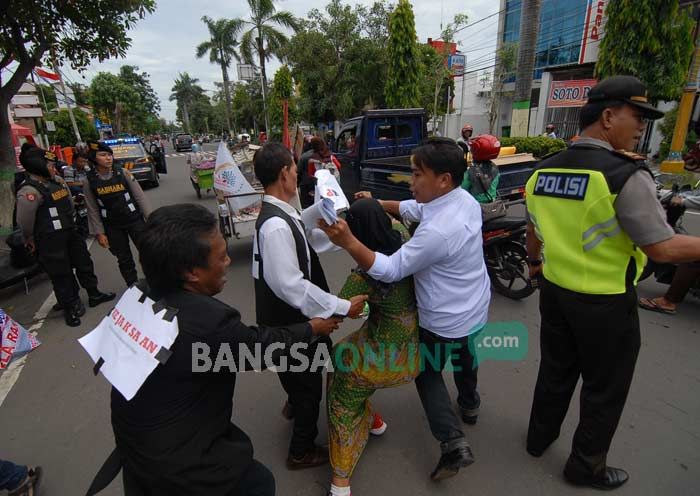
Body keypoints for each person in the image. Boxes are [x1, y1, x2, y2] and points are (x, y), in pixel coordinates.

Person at [88, 203, 339, 496]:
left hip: (137, 452)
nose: (229, 262)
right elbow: (259, 350)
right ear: (191, 272)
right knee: (259, 484)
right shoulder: (208, 323)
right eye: (221, 257)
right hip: (183, 468)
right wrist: (312, 329)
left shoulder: (136, 295)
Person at [524, 75, 700, 490]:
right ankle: (585, 466)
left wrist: (534, 266)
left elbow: (533, 231)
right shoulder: (624, 175)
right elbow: (662, 249)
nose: (640, 127)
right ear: (608, 116)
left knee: (554, 371)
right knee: (604, 389)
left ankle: (538, 439)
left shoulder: (542, 172)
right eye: (636, 116)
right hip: (605, 303)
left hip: (554, 291)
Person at [320, 137, 490, 481]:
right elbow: (414, 209)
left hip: (442, 318)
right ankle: (470, 403)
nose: (410, 182)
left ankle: (452, 441)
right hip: (474, 305)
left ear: (443, 179)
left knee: (427, 373)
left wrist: (348, 242)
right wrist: (379, 201)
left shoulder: (435, 235)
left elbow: (390, 270)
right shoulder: (463, 200)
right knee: (465, 353)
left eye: (416, 174)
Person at [251, 143, 368, 470]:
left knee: (301, 371)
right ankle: (300, 451)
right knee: (309, 393)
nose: (297, 174)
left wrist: (321, 211)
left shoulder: (281, 214)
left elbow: (303, 235)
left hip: (285, 321)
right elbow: (292, 286)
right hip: (292, 322)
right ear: (283, 174)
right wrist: (342, 306)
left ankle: (293, 397)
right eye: (293, 169)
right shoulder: (276, 225)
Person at [326, 198, 419, 496]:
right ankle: (373, 421)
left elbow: (336, 311)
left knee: (339, 381)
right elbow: (388, 220)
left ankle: (340, 481)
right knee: (345, 352)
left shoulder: (363, 276)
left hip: (382, 360)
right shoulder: (405, 239)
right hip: (417, 351)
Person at [15, 144, 115, 327]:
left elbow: (69, 202)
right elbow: (24, 222)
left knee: (84, 262)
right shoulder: (29, 191)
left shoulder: (58, 181)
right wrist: (30, 238)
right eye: (50, 165)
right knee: (61, 273)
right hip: (49, 239)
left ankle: (94, 293)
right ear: (38, 166)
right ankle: (71, 305)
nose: (54, 168)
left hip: (71, 231)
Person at [82, 140, 152, 287]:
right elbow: (92, 208)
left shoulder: (123, 173)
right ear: (94, 158)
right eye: (103, 155)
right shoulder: (89, 181)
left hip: (134, 220)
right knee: (123, 258)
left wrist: (151, 220)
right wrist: (99, 233)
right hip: (112, 226)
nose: (108, 158)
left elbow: (140, 197)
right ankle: (133, 286)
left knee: (147, 252)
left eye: (109, 155)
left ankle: (154, 281)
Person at [461, 134, 501, 203]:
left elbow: (462, 188)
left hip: (475, 205)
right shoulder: (495, 168)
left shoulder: (471, 170)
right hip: (491, 204)